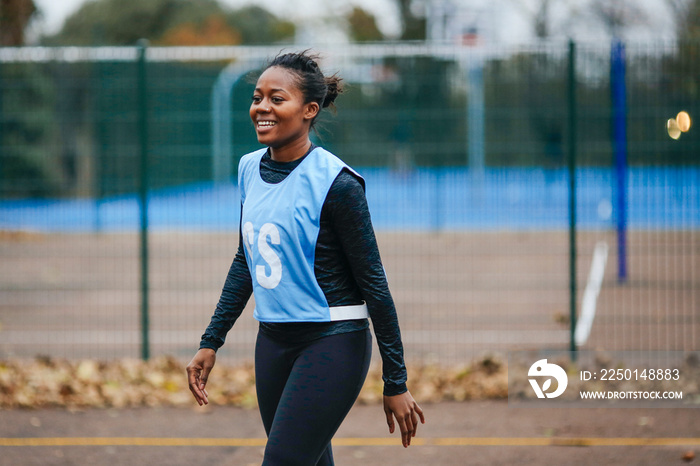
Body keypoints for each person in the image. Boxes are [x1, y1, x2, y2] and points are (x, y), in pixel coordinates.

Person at [186, 50, 424, 465]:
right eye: (258, 97)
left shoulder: (337, 183)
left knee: (281, 461)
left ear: (309, 110)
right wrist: (211, 341)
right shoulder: (247, 169)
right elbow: (247, 259)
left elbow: (374, 284)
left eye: (277, 99)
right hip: (273, 341)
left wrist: (396, 381)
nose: (262, 107)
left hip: (332, 341)